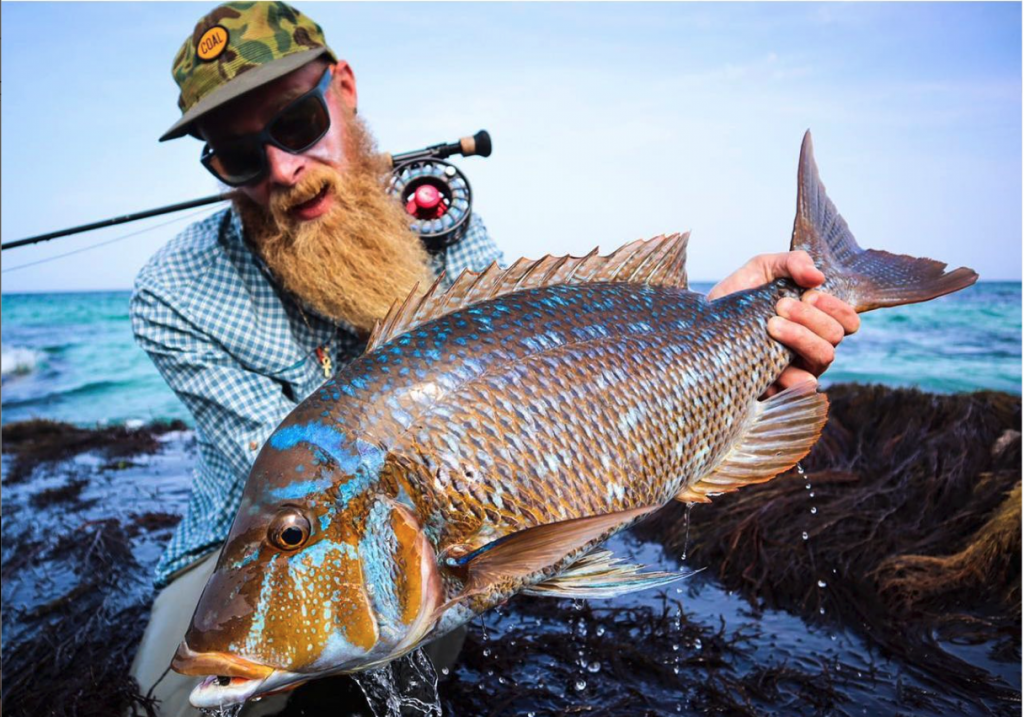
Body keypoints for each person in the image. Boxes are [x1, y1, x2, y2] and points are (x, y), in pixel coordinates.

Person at [128, 2, 860, 714]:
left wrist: (722, 331)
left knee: (401, 652)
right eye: (239, 155)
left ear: (342, 90)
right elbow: (304, 489)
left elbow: (551, 368)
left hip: (414, 543)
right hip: (252, 540)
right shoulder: (173, 292)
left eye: (297, 123)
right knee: (175, 703)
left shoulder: (447, 222)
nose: (284, 168)